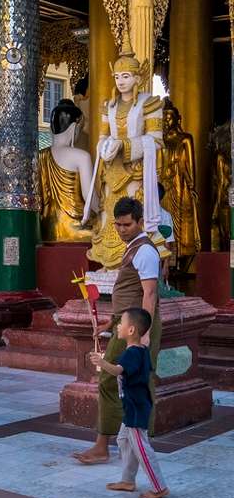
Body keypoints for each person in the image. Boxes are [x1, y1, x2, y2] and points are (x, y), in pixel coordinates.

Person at [74, 197, 164, 468]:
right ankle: (126, 444)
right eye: (118, 225)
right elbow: (129, 294)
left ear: (139, 222)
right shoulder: (131, 248)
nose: (122, 229)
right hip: (126, 327)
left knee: (118, 381)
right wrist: (112, 324)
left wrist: (143, 334)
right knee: (126, 382)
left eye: (127, 224)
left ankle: (113, 445)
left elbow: (149, 293)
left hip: (138, 330)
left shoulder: (145, 251)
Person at [92, 306, 166, 498]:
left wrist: (101, 362)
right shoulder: (141, 350)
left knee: (141, 446)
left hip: (136, 407)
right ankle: (127, 480)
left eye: (121, 324)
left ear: (131, 330)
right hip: (134, 405)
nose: (118, 327)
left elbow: (118, 371)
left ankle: (159, 486)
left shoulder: (131, 353)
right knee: (124, 440)